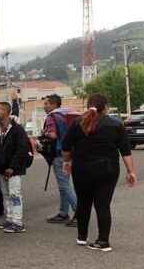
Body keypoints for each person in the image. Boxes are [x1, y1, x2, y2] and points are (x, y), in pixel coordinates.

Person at [62, 94, 137, 252]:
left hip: (82, 168)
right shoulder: (116, 125)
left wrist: (67, 161)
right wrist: (131, 171)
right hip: (107, 169)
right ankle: (103, 241)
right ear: (105, 107)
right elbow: (125, 151)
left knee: (83, 202)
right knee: (103, 206)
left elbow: (66, 146)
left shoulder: (77, 123)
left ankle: (82, 237)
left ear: (88, 105)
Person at [0, 101, 31, 233]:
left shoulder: (17, 129)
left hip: (14, 169)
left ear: (6, 112)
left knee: (15, 194)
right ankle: (10, 218)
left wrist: (12, 167)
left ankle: (18, 222)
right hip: (0, 168)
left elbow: (21, 150)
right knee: (6, 195)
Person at [42, 93, 78, 227]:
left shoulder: (51, 117)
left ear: (53, 105)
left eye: (46, 103)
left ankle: (78, 212)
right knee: (65, 185)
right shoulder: (65, 115)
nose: (44, 106)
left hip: (58, 154)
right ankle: (63, 213)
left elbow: (52, 135)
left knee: (63, 185)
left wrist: (43, 132)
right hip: (70, 153)